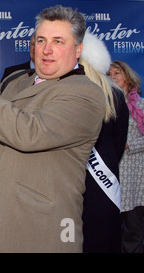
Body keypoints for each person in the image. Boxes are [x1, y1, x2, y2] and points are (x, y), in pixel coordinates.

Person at [0, 5, 106, 252]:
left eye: (58, 41)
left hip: (40, 227)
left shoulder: (85, 94)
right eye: (41, 40)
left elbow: (29, 133)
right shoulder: (18, 80)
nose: (46, 49)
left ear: (78, 49)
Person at [79, 33, 129, 253]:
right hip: (105, 175)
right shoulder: (116, 95)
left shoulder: (73, 93)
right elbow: (119, 142)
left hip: (80, 176)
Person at [108, 60, 144, 253]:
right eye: (109, 74)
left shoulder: (142, 106)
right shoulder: (104, 106)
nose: (112, 77)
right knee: (109, 229)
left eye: (117, 74)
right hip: (110, 174)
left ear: (128, 78)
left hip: (135, 177)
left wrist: (129, 144)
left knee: (133, 228)